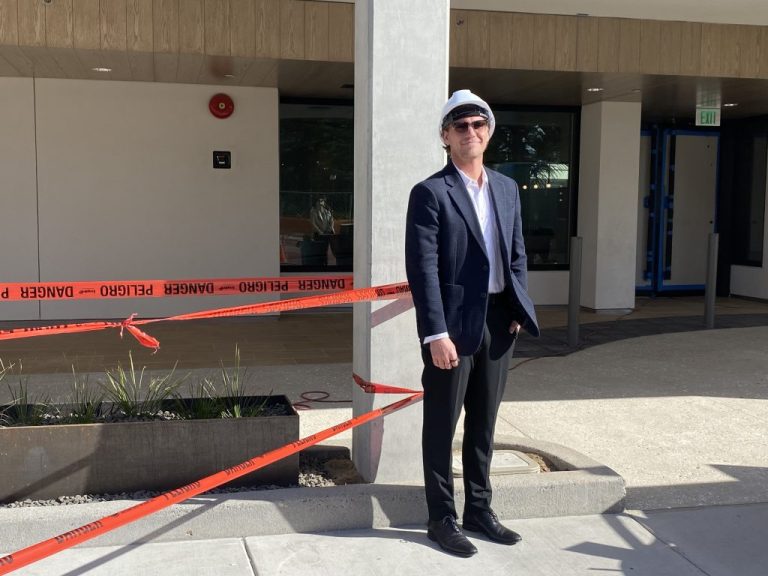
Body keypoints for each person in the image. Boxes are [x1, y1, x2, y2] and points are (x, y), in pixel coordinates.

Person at [405, 90, 539, 557]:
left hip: (499, 323)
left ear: (489, 132)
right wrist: (435, 333)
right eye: (460, 126)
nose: (470, 132)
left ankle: (479, 510)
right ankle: (441, 518)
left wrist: (518, 309)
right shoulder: (430, 193)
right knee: (441, 426)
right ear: (445, 136)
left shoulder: (507, 188)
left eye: (478, 125)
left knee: (484, 424)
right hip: (453, 329)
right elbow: (423, 270)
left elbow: (517, 254)